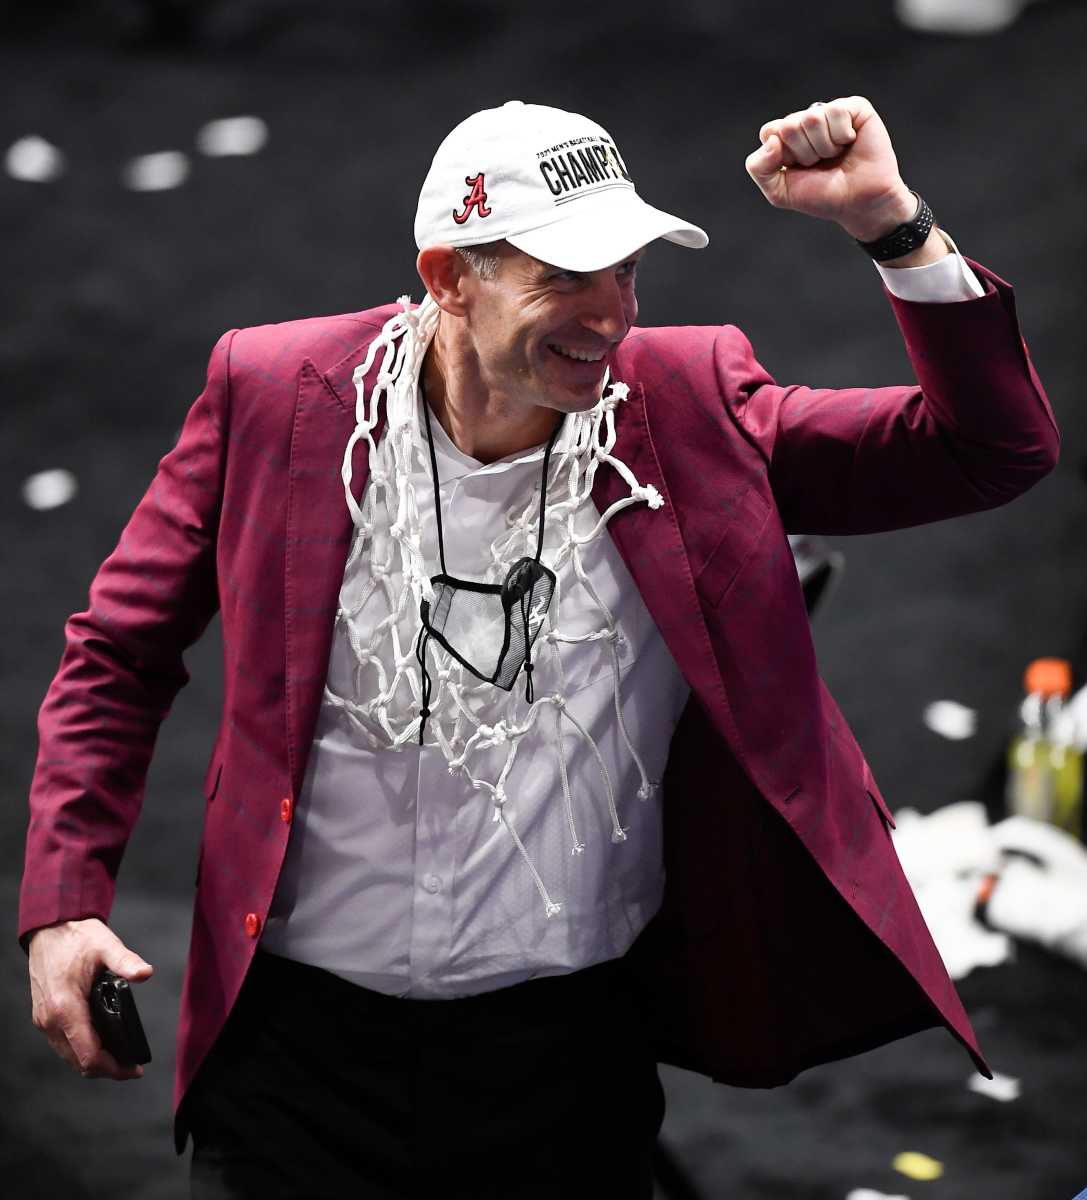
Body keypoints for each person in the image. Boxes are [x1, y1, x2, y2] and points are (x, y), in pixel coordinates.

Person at [20, 97, 1059, 1199]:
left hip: (565, 1058)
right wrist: (64, 900)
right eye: (565, 276)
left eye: (625, 272)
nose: (609, 314)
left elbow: (987, 452)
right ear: (447, 276)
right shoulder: (278, 395)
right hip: (290, 1052)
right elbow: (118, 651)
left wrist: (893, 229)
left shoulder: (690, 402)